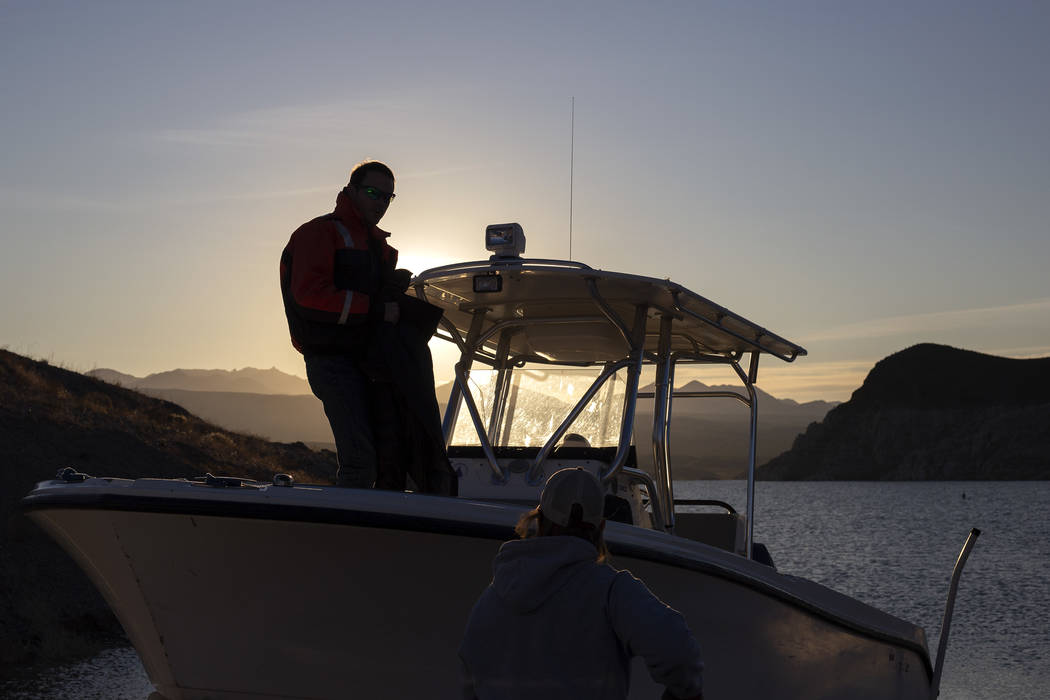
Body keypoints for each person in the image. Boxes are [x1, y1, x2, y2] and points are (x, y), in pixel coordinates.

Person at [280, 160, 455, 494]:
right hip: (331, 362)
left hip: (372, 362)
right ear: (351, 191)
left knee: (391, 459)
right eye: (373, 193)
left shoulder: (380, 249)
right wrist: (375, 308)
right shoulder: (317, 233)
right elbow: (309, 297)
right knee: (361, 462)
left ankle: (380, 537)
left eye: (389, 197)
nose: (381, 202)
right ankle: (342, 540)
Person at [459, 467, 704, 700]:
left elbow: (471, 679)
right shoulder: (611, 592)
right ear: (601, 527)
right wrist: (684, 691)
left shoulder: (492, 599)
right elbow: (678, 651)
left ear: (539, 521)